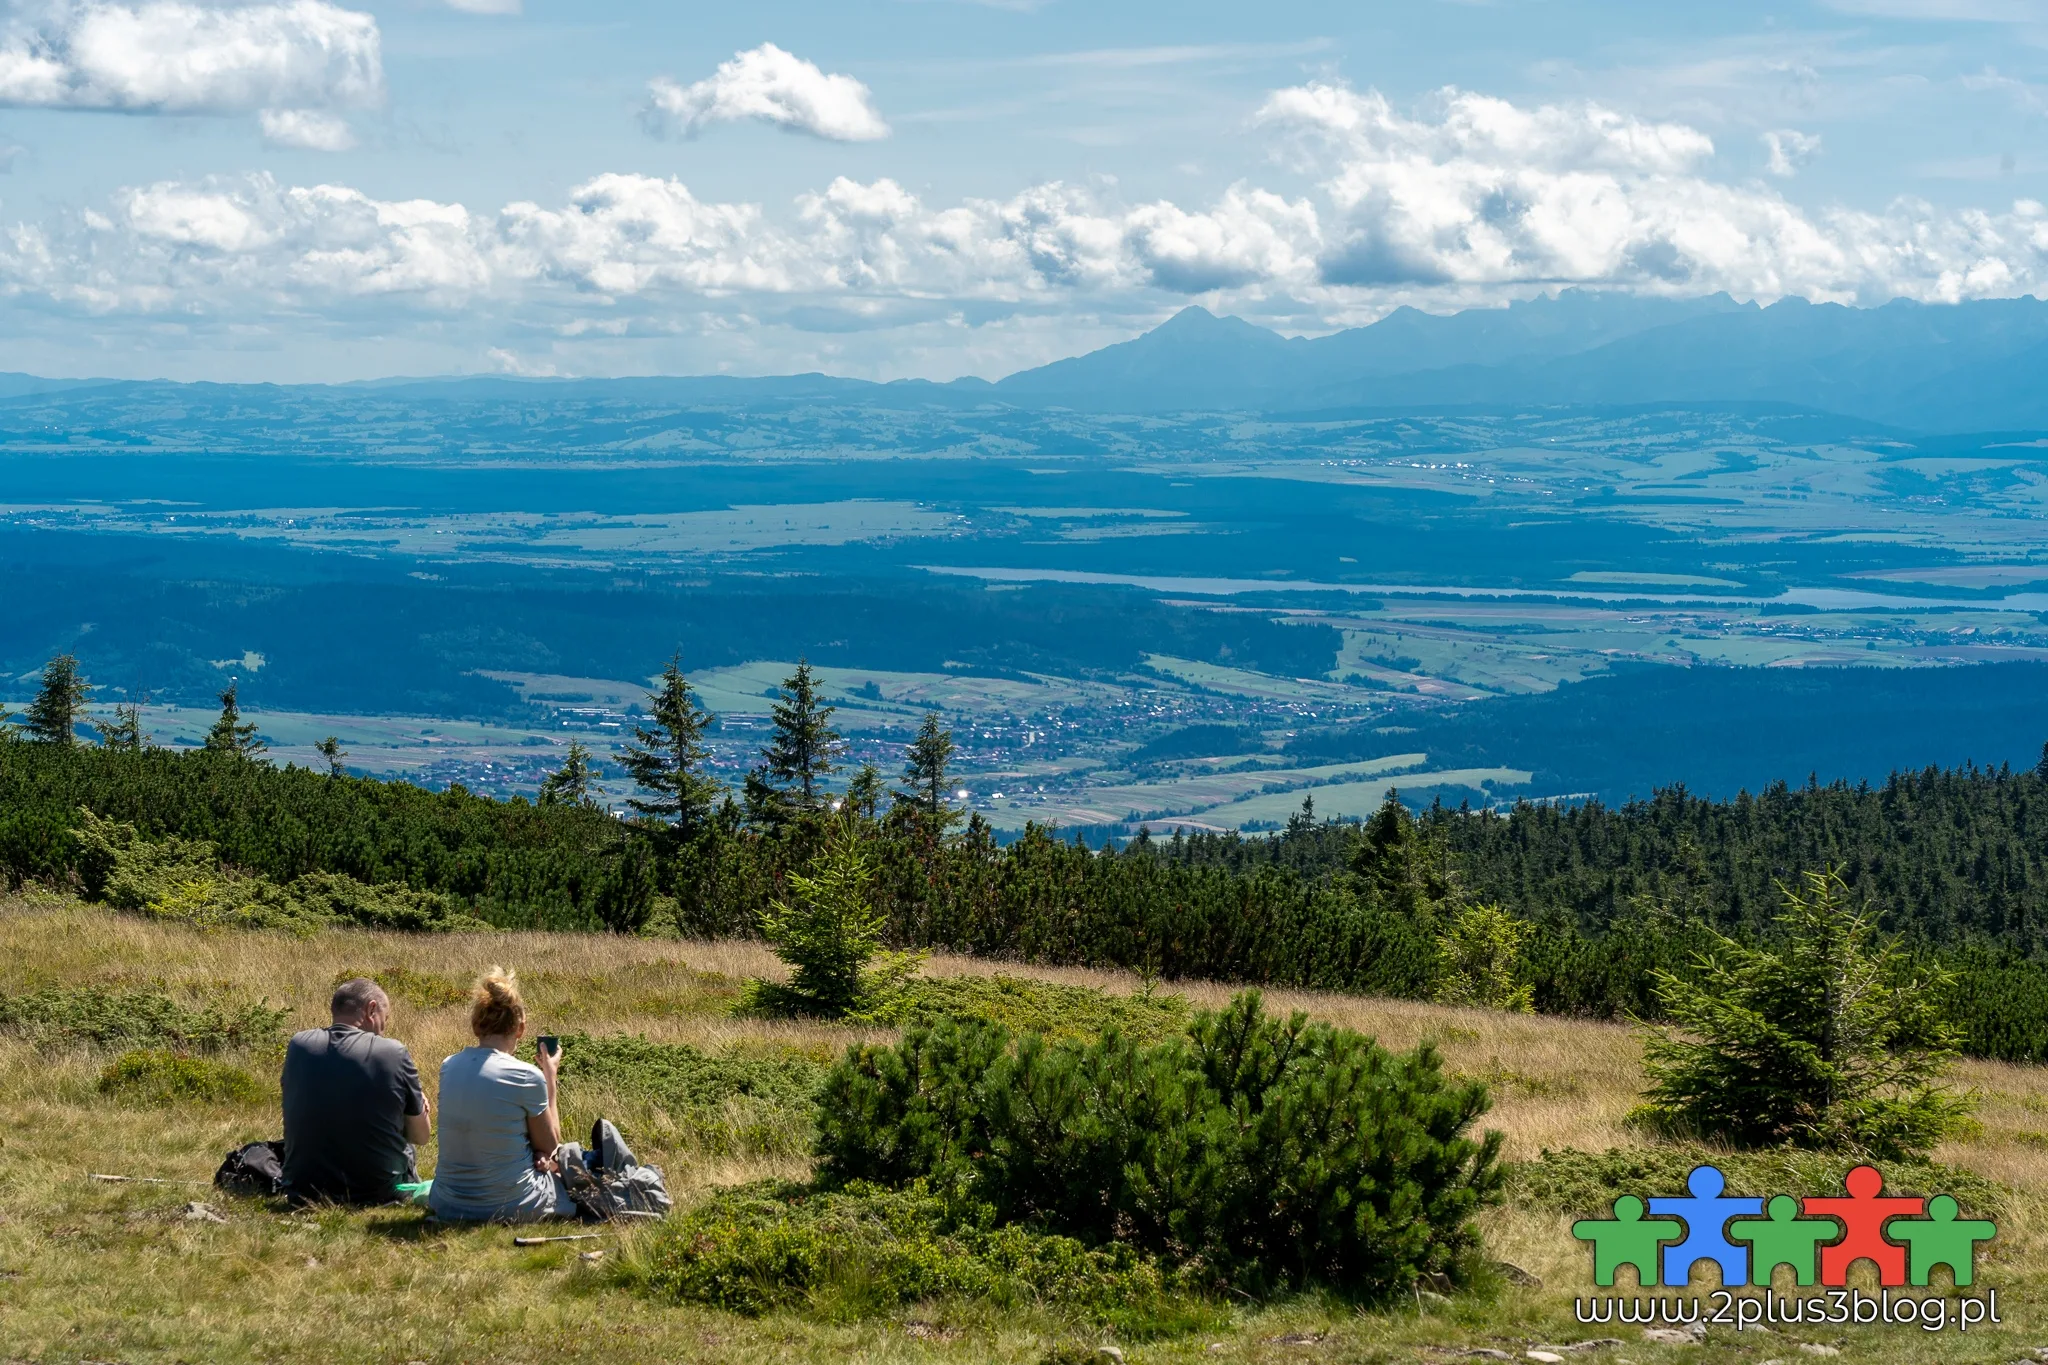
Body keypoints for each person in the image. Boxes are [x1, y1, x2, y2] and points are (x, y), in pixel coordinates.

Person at [427, 967, 578, 1223]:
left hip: (446, 1202)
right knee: (571, 1174)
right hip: (511, 1204)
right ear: (520, 1029)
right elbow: (552, 1146)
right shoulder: (527, 1075)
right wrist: (550, 1077)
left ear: (476, 1026)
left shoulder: (448, 1065)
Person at [280, 977, 431, 1205]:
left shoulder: (299, 1045)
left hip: (303, 1189)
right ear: (371, 1009)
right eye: (384, 1018)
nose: (383, 1027)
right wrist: (418, 1105)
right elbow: (421, 1136)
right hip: (377, 1193)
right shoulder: (392, 1051)